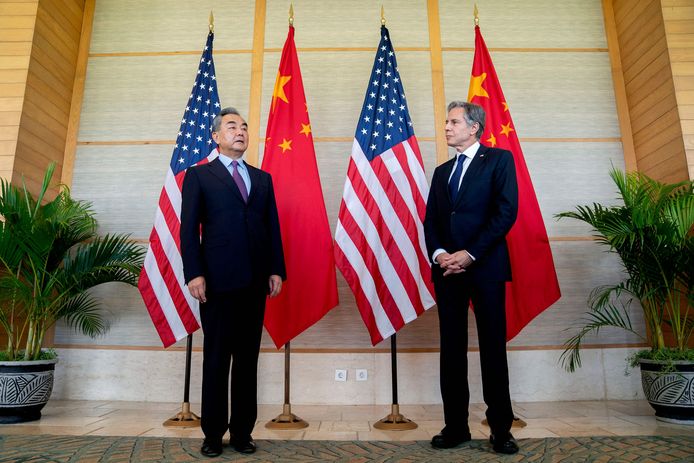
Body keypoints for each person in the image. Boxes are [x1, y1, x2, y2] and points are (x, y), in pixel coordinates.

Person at [180, 107, 286, 457]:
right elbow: (187, 229)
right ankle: (212, 434)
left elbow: (272, 227)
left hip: (255, 282)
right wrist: (194, 273)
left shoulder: (262, 179)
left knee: (246, 360)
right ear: (215, 136)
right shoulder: (199, 176)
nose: (239, 131)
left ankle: (242, 432)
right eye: (231, 127)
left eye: (243, 127)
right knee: (216, 359)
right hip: (217, 282)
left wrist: (276, 269)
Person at [423, 101, 519, 454]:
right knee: (452, 350)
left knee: (493, 348)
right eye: (446, 121)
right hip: (448, 272)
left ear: (474, 127)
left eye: (453, 122)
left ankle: (501, 429)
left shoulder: (498, 160)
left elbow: (505, 212)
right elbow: (431, 221)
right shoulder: (441, 171)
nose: (447, 127)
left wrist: (470, 254)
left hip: (486, 268)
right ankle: (456, 427)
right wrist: (440, 255)